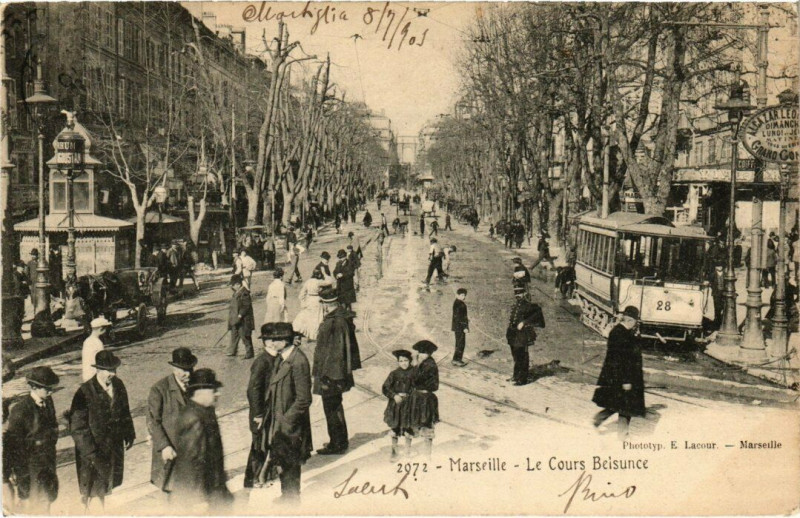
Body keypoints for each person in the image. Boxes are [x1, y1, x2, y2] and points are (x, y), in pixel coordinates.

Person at [68, 350, 135, 512]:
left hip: (113, 447)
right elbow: (78, 428)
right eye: (108, 371)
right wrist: (91, 453)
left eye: (114, 370)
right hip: (93, 452)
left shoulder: (118, 385)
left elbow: (124, 411)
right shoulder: (84, 392)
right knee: (94, 491)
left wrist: (129, 432)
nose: (112, 374)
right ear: (98, 370)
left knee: (107, 486)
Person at [171, 369, 232, 512]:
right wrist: (198, 499)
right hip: (203, 496)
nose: (218, 393)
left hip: (214, 489)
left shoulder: (204, 412)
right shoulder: (193, 417)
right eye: (213, 390)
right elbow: (191, 460)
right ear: (200, 391)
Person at [264, 322, 313, 502]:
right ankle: (287, 496)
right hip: (281, 421)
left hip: (291, 424)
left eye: (275, 340)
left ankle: (292, 500)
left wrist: (286, 420)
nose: (271, 343)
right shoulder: (283, 358)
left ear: (285, 341)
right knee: (284, 461)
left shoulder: (298, 361)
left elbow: (304, 399)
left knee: (291, 462)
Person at [3, 367, 60, 513]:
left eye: (51, 388)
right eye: (47, 389)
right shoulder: (20, 411)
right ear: (34, 387)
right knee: (33, 508)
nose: (51, 392)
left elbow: (52, 426)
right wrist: (14, 473)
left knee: (47, 502)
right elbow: (12, 445)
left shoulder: (48, 401)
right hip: (29, 468)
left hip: (47, 464)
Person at [313, 288, 362, 455]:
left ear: (326, 305)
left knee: (332, 408)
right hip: (335, 373)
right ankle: (339, 440)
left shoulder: (335, 322)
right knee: (335, 407)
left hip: (331, 375)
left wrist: (328, 376)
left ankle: (338, 443)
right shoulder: (340, 318)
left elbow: (336, 351)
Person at [147, 347, 197, 492]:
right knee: (170, 491)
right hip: (170, 450)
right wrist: (164, 446)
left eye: (190, 369)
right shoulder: (159, 390)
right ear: (174, 368)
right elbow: (152, 421)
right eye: (183, 370)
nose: (188, 374)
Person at [592, 306, 645, 438]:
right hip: (621, 377)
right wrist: (626, 380)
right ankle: (623, 435)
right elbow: (621, 359)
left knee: (617, 404)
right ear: (630, 320)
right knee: (625, 407)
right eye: (635, 322)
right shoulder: (620, 334)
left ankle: (599, 419)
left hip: (619, 376)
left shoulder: (623, 332)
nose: (635, 325)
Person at [244, 325, 280, 489]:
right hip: (261, 413)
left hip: (269, 411)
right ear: (267, 342)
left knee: (267, 443)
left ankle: (264, 475)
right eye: (273, 339)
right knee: (258, 445)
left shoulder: (275, 358)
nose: (276, 342)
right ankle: (253, 479)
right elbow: (253, 390)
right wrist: (258, 414)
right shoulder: (262, 361)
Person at [506, 286, 545, 386]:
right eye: (516, 293)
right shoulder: (516, 304)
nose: (517, 295)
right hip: (513, 334)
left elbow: (538, 312)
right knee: (515, 355)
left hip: (522, 334)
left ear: (524, 294)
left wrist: (524, 322)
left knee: (523, 356)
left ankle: (522, 379)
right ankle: (516, 376)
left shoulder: (528, 305)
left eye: (519, 293)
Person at [408, 340, 439, 459]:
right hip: (419, 398)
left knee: (425, 425)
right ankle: (412, 453)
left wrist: (415, 363)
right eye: (419, 352)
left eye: (422, 353)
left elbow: (415, 379)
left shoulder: (428, 365)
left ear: (428, 354)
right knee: (414, 424)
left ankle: (426, 455)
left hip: (424, 399)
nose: (420, 355)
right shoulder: (426, 363)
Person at [382, 350, 414, 459]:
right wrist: (394, 395)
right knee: (395, 427)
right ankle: (394, 452)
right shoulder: (394, 374)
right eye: (401, 361)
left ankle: (407, 452)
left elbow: (418, 387)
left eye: (406, 360)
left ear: (410, 361)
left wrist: (411, 396)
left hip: (409, 404)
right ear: (398, 362)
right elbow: (385, 387)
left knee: (408, 428)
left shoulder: (415, 373)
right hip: (396, 404)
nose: (404, 363)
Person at [293, 270, 334, 341]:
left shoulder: (308, 282)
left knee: (308, 317)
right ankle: (314, 335)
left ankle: (306, 333)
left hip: (309, 300)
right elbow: (330, 281)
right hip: (317, 300)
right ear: (318, 275)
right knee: (317, 318)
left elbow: (301, 294)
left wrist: (303, 303)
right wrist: (325, 274)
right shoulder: (319, 282)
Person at [227, 274, 255, 359]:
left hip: (243, 319)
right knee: (234, 334)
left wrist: (240, 315)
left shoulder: (244, 293)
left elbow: (246, 306)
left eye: (233, 285)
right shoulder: (236, 292)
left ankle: (249, 353)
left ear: (238, 284)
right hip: (235, 318)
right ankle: (232, 350)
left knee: (245, 335)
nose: (231, 287)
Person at [82, 317, 112, 382]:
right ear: (101, 329)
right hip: (96, 376)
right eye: (105, 329)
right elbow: (101, 362)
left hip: (87, 374)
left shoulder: (87, 341)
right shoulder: (98, 343)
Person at [452, 288, 469, 367]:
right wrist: (465, 327)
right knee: (461, 344)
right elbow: (460, 317)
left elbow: (460, 316)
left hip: (456, 326)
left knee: (458, 343)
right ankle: (457, 360)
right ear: (458, 295)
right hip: (460, 327)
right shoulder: (461, 304)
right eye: (462, 295)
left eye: (464, 295)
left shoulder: (456, 302)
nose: (463, 297)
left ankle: (455, 359)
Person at [711, 265, 725, 331]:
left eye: (721, 266)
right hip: (716, 293)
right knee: (717, 308)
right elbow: (711, 282)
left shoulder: (725, 274)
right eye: (718, 266)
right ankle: (717, 322)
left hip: (723, 293)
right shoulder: (713, 274)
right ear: (715, 267)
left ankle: (722, 322)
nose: (720, 268)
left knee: (723, 307)